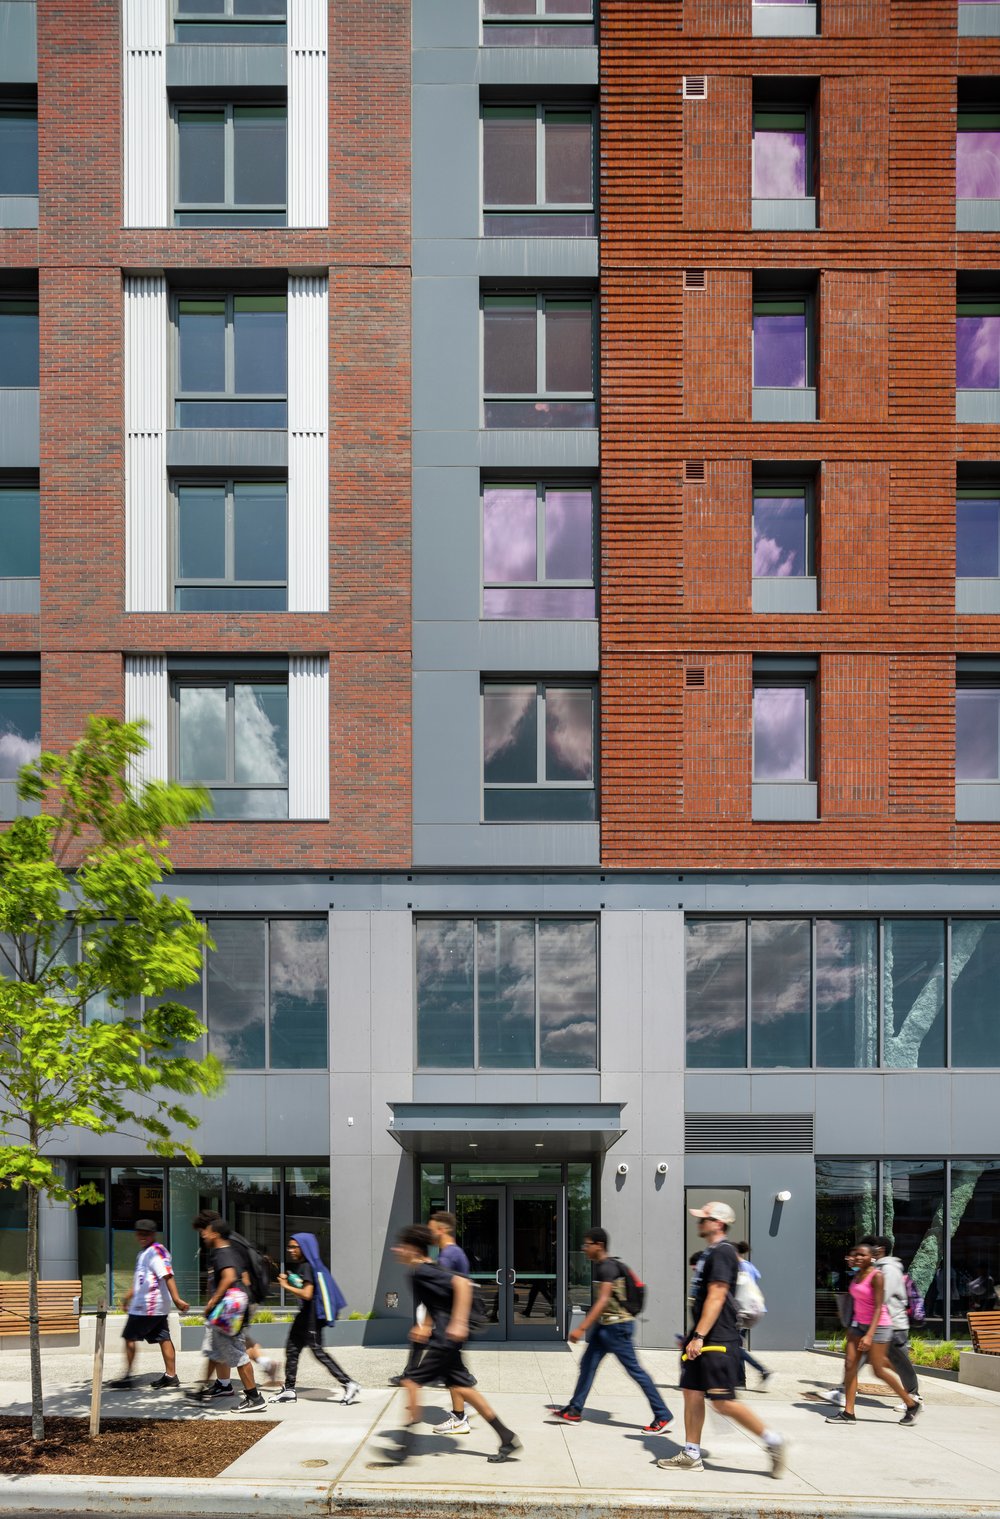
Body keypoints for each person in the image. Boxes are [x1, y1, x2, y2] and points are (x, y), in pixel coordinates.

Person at [658, 1201, 786, 1478]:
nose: (699, 1223)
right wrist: (692, 1336)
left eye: (704, 1219)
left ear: (717, 1223)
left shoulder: (723, 1253)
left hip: (718, 1338)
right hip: (703, 1337)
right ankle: (692, 1453)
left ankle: (774, 1441)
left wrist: (700, 1335)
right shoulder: (711, 1252)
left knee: (722, 1401)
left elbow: (716, 1296)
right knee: (691, 1392)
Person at [391, 1224, 520, 1465]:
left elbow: (461, 1284)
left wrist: (458, 1322)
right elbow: (436, 1299)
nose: (395, 1249)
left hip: (446, 1338)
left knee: (410, 1381)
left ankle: (405, 1448)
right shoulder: (419, 1271)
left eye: (400, 1245)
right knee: (463, 1388)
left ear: (411, 1248)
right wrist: (425, 1325)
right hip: (445, 1335)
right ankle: (507, 1437)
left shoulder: (421, 1270)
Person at [548, 1228, 673, 1434]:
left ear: (599, 1245)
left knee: (636, 1371)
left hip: (617, 1327)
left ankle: (663, 1415)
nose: (584, 1248)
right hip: (606, 1326)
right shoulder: (602, 1266)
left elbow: (603, 1300)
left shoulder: (606, 1268)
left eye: (587, 1244)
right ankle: (574, 1410)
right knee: (587, 1364)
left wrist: (581, 1328)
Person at [825, 1242, 921, 1427]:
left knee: (877, 1370)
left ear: (871, 1257)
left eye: (862, 1254)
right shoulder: (857, 1275)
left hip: (878, 1327)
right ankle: (848, 1413)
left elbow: (879, 1307)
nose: (858, 1257)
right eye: (855, 1254)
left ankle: (911, 1404)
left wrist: (869, 1335)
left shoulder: (877, 1276)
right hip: (858, 1326)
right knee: (850, 1367)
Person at [186, 1210, 277, 1400]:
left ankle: (253, 1393)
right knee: (218, 1344)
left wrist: (216, 1301)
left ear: (212, 1229)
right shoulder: (233, 1241)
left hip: (234, 1304)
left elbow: (234, 1276)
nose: (202, 1236)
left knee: (231, 1345)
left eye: (203, 1231)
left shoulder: (227, 1246)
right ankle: (220, 1384)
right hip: (237, 1302)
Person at [270, 1233, 359, 1405]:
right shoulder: (311, 1265)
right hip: (306, 1314)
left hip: (311, 1316)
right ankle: (289, 1390)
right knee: (292, 1348)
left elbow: (307, 1293)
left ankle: (349, 1383)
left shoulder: (307, 1267)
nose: (290, 1250)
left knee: (318, 1351)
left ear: (304, 1247)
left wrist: (286, 1286)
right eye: (290, 1247)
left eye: (294, 1247)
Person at [110, 1219, 189, 1390]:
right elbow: (140, 1280)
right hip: (151, 1305)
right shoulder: (143, 1254)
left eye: (146, 1234)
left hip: (148, 1306)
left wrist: (177, 1299)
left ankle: (128, 1377)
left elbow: (167, 1275)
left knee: (129, 1337)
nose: (142, 1237)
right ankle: (171, 1376)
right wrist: (128, 1297)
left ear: (153, 1234)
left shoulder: (157, 1252)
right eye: (139, 1233)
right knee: (163, 1337)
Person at [427, 1211, 474, 1435]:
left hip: (448, 1324)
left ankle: (459, 1418)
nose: (429, 1233)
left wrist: (427, 1323)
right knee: (454, 1371)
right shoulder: (457, 1253)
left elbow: (439, 1293)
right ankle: (462, 1409)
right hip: (453, 1323)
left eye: (431, 1228)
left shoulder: (447, 1256)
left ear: (442, 1229)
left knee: (452, 1372)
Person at [862, 1234, 920, 1409]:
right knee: (861, 1358)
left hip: (894, 1324)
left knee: (901, 1363)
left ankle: (914, 1396)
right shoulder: (878, 1268)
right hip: (883, 1324)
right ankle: (843, 1390)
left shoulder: (890, 1269)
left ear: (880, 1250)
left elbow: (882, 1297)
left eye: (873, 1248)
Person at [735, 1241, 771, 1386]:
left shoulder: (741, 1267)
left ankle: (762, 1371)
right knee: (737, 1346)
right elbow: (756, 1278)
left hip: (743, 1312)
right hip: (752, 1310)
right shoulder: (749, 1266)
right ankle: (740, 1380)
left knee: (735, 1347)